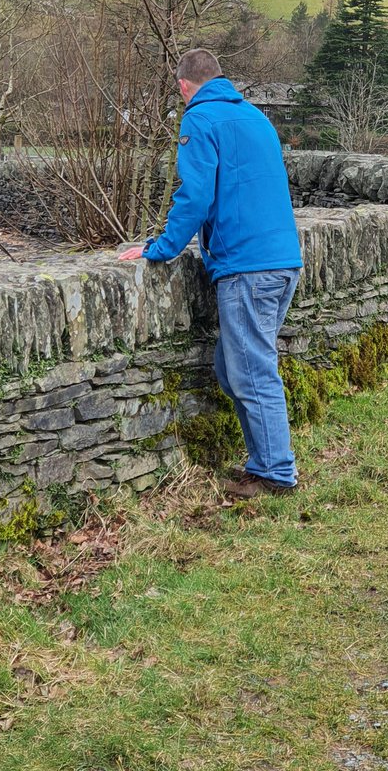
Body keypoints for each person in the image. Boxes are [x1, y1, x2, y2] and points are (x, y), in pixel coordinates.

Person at [118, 48, 303, 499]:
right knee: (231, 365)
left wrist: (160, 248)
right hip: (283, 262)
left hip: (246, 268)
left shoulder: (199, 119)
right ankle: (263, 462)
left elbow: (195, 196)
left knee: (253, 373)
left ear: (184, 86)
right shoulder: (257, 118)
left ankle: (276, 474)